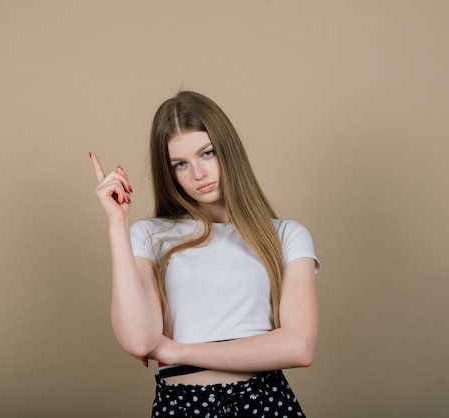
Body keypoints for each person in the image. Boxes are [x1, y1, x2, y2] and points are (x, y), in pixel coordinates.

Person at [90, 91, 320, 417]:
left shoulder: (285, 235)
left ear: (227, 149)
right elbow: (139, 341)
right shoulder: (151, 234)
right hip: (182, 406)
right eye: (180, 164)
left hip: (264, 403)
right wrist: (117, 225)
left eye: (207, 153)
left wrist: (176, 350)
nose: (197, 173)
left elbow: (299, 347)